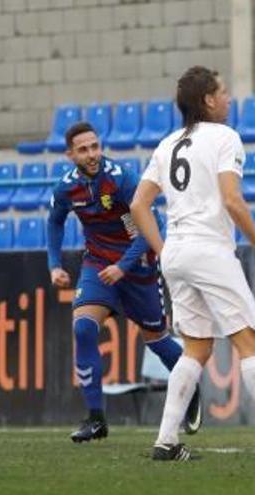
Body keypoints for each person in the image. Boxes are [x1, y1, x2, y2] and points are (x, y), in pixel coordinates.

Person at [130, 66, 255, 461]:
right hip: (209, 248)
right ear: (208, 100)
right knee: (249, 340)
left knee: (196, 347)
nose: (229, 98)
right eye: (224, 92)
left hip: (176, 252)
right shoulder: (225, 137)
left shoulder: (166, 144)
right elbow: (232, 199)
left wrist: (163, 250)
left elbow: (137, 204)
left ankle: (166, 441)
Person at [47, 121, 199, 443]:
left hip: (138, 265)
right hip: (98, 263)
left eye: (95, 146)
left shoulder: (121, 179)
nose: (92, 154)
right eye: (83, 149)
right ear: (70, 154)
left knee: (157, 341)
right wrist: (54, 264)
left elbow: (149, 227)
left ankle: (189, 385)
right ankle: (96, 419)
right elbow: (55, 222)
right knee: (83, 328)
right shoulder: (66, 188)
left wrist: (123, 266)